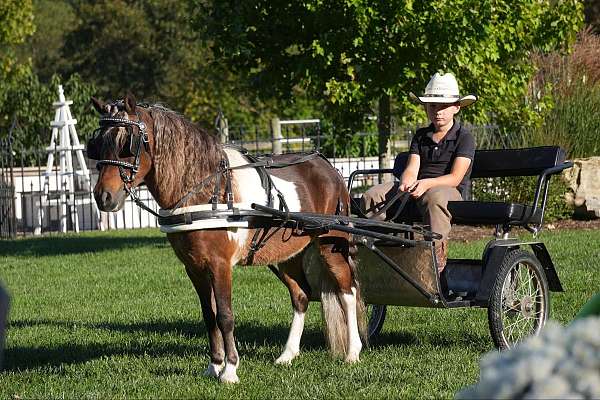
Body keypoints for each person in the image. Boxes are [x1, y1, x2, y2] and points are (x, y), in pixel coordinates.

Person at [361, 72, 477, 276]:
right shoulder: (421, 136)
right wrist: (407, 182)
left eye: (443, 106)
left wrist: (425, 184)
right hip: (419, 187)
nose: (438, 111)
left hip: (448, 192)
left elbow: (455, 177)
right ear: (426, 108)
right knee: (373, 195)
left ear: (456, 107)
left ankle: (435, 259)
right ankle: (383, 250)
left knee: (435, 196)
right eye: (432, 106)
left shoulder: (464, 137)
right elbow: (412, 168)